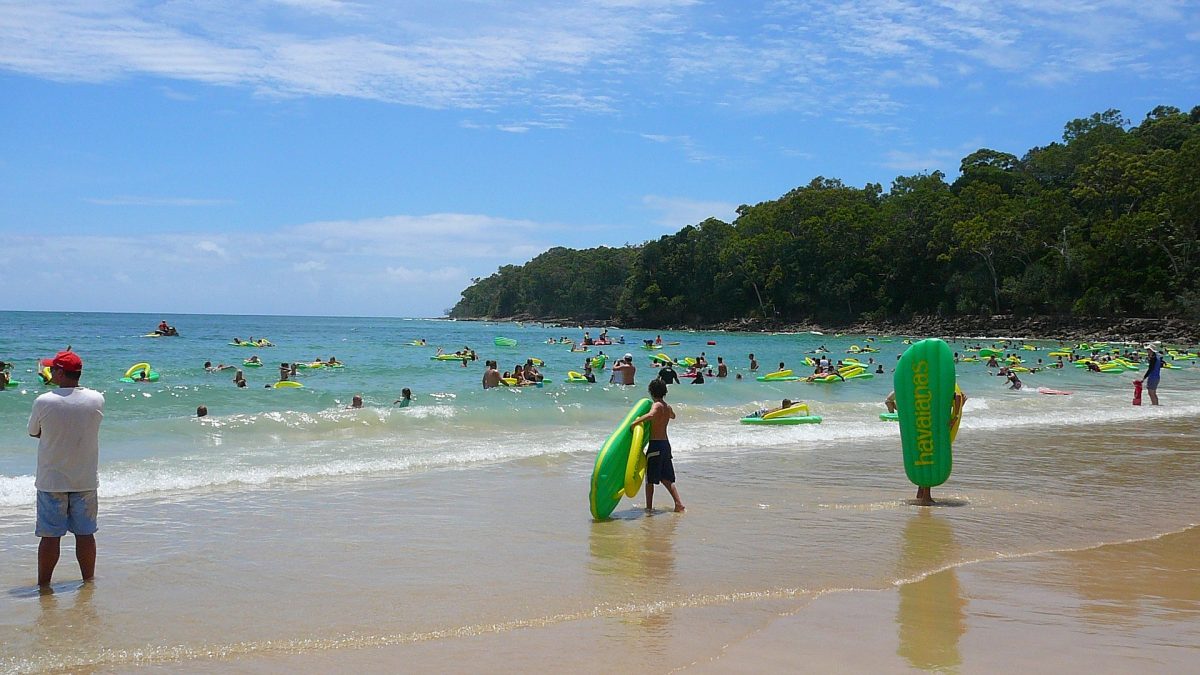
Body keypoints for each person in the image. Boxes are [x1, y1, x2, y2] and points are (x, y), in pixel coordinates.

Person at [27, 350, 104, 587]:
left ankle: (44, 586)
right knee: (85, 534)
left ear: (60, 372)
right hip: (85, 478)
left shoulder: (44, 401)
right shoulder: (96, 398)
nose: (50, 373)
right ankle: (88, 582)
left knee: (50, 537)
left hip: (52, 480)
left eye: (52, 369)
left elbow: (34, 432)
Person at [629, 379, 684, 512]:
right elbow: (673, 416)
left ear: (651, 392)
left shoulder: (657, 405)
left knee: (650, 479)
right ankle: (678, 503)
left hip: (655, 445)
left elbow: (652, 414)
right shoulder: (667, 406)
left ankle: (649, 508)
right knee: (666, 476)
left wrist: (635, 422)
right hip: (665, 444)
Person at [914, 388, 968, 506]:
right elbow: (959, 397)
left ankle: (921, 493)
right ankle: (926, 497)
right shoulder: (948, 381)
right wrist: (956, 415)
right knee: (931, 457)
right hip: (939, 424)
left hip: (924, 421)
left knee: (925, 454)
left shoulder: (927, 382)